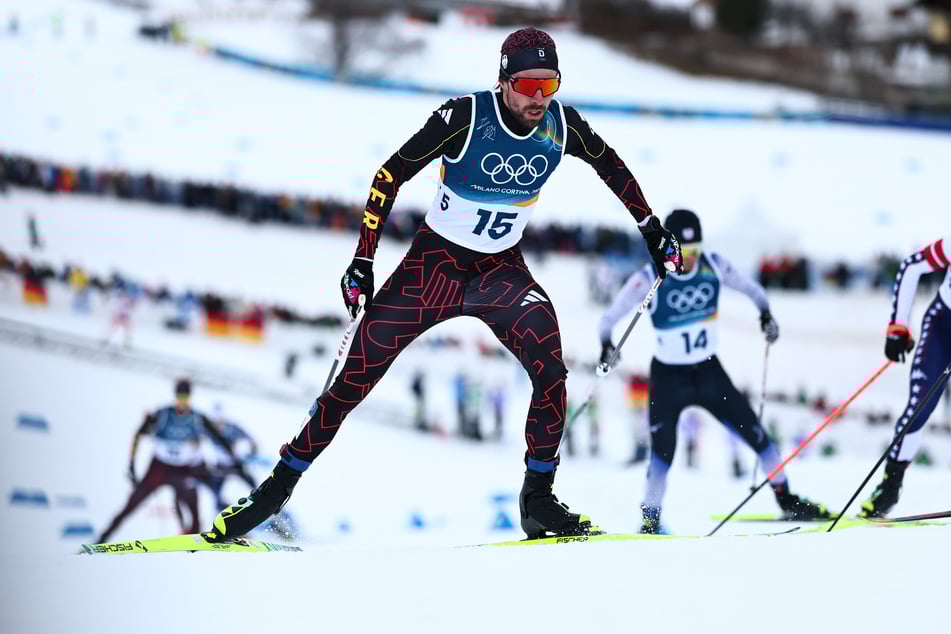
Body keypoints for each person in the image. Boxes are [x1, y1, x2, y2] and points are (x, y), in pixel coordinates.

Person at [208, 27, 683, 542]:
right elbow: (390, 174)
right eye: (528, 86)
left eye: (550, 85)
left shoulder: (561, 126)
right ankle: (273, 493)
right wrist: (363, 261)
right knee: (353, 382)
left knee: (551, 369)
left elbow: (610, 165)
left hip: (500, 273)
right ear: (503, 81)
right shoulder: (465, 116)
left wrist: (651, 229)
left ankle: (537, 501)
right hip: (433, 269)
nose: (539, 99)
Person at [598, 209, 830, 533]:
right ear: (669, 248)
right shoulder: (648, 278)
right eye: (683, 252)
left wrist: (766, 315)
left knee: (760, 438)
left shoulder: (715, 266)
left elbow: (755, 291)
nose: (690, 259)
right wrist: (607, 344)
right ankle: (649, 520)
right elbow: (609, 319)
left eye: (695, 251)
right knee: (662, 456)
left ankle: (787, 500)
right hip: (668, 378)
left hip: (709, 373)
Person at [861, 236, 950, 517]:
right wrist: (898, 326)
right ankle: (889, 487)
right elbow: (912, 266)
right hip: (943, 327)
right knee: (920, 405)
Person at [96, 379, 242, 543]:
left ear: (189, 397)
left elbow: (220, 439)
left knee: (195, 513)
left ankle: (192, 548)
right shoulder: (162, 414)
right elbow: (138, 434)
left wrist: (237, 462)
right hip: (159, 468)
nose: (182, 400)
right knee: (130, 507)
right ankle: (101, 540)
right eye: (180, 396)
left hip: (183, 470)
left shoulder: (197, 417)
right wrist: (131, 465)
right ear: (175, 396)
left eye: (185, 397)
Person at [204, 403, 258, 510]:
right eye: (215, 422)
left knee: (252, 483)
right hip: (220, 465)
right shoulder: (209, 431)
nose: (218, 424)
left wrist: (251, 448)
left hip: (236, 464)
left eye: (220, 420)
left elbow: (251, 440)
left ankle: (259, 503)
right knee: (216, 490)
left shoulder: (233, 428)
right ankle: (221, 510)